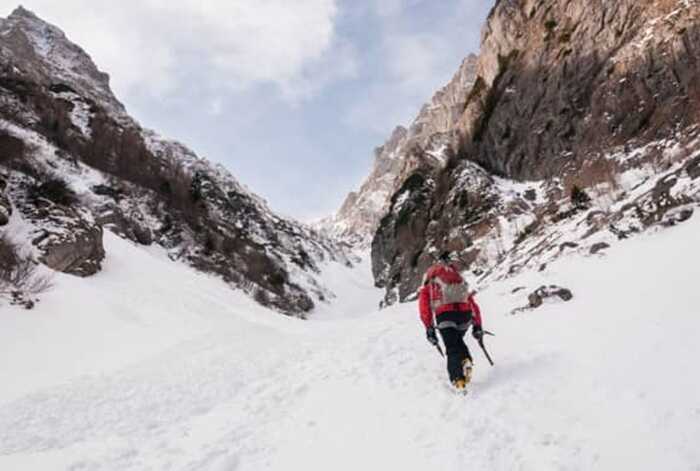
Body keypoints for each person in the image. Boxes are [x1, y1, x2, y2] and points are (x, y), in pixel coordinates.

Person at [418, 251, 484, 391]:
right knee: (456, 341)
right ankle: (466, 361)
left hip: (445, 316)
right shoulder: (457, 280)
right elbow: (472, 304)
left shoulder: (429, 287)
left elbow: (425, 309)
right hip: (465, 316)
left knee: (452, 347)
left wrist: (429, 328)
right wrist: (477, 326)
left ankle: (458, 379)